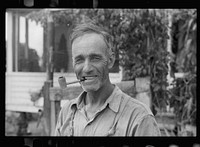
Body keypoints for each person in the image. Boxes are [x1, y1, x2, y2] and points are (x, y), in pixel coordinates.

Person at [54, 18, 161, 136]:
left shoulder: (139, 118)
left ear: (110, 60)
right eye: (79, 60)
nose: (87, 68)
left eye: (95, 58)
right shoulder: (66, 112)